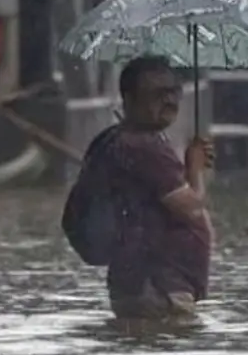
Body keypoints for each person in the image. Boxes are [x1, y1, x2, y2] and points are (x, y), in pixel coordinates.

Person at [79, 55, 215, 320]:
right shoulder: (144, 147)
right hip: (157, 287)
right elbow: (191, 208)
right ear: (129, 99)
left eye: (174, 92)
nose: (170, 101)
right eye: (158, 94)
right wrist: (195, 169)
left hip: (138, 283)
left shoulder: (116, 140)